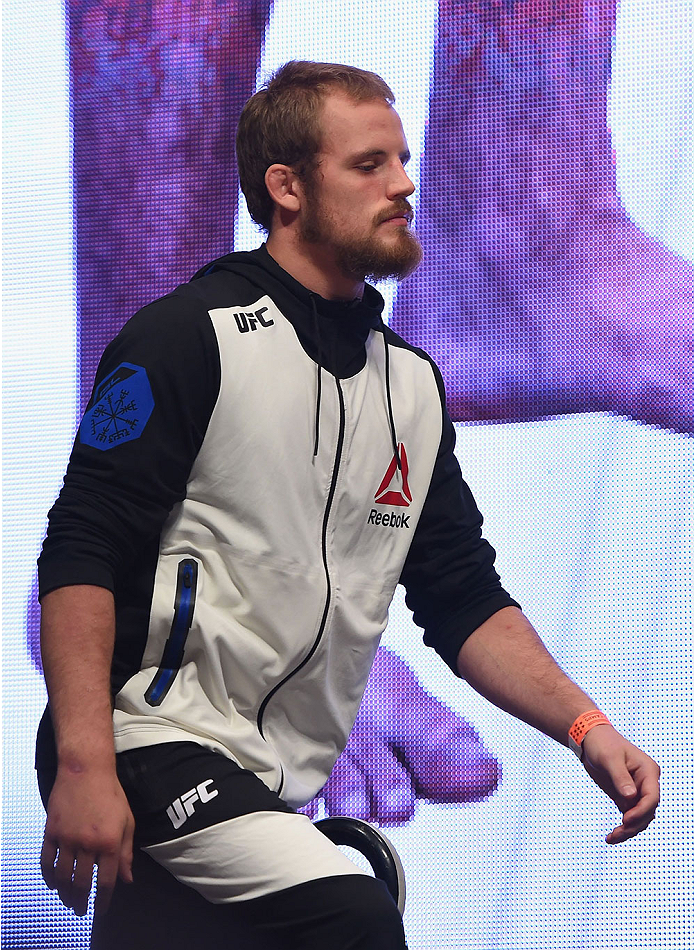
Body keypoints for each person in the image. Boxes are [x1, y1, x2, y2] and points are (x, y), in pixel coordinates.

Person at [36, 60, 660, 949]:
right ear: (287, 187)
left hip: (273, 784)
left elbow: (459, 592)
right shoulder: (186, 336)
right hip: (152, 744)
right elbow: (80, 549)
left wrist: (586, 727)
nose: (405, 183)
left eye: (403, 160)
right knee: (352, 909)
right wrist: (85, 762)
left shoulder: (409, 386)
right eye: (370, 165)